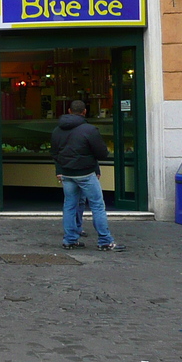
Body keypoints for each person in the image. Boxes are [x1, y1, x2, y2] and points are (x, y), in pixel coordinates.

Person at [51, 100, 121, 251]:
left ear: (69, 111)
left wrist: (60, 169)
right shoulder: (89, 130)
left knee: (69, 205)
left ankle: (70, 240)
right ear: (84, 112)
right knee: (97, 205)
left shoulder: (57, 130)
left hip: (67, 173)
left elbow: (54, 153)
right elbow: (102, 153)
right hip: (86, 173)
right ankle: (105, 241)